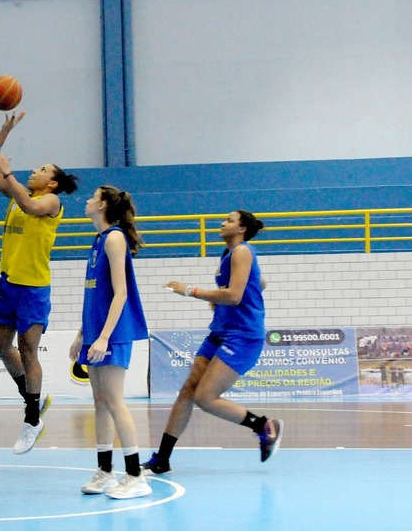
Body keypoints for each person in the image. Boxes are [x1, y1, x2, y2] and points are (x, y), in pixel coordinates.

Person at [142, 210, 283, 475]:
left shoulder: (242, 251)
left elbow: (234, 296)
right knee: (187, 391)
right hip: (220, 331)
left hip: (243, 336)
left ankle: (262, 425)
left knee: (204, 398)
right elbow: (258, 282)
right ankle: (162, 458)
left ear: (241, 229)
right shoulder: (228, 254)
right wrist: (221, 297)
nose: (222, 223)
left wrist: (189, 291)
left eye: (229, 220)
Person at [0, 112, 79, 454]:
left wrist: (8, 170)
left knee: (27, 350)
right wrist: (3, 133)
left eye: (42, 170)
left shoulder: (51, 202)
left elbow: (28, 203)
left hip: (34, 288)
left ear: (52, 183)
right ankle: (34, 397)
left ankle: (32, 419)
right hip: (7, 283)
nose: (34, 171)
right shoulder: (16, 195)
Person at [69, 185, 152, 499]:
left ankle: (135, 476)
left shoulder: (115, 238)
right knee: (100, 403)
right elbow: (97, 296)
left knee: (115, 402)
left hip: (113, 334)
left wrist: (103, 337)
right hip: (95, 333)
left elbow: (121, 293)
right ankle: (105, 470)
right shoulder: (99, 239)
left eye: (93, 196)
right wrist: (82, 334)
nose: (87, 200)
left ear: (103, 205)